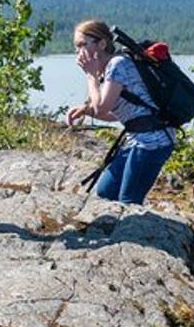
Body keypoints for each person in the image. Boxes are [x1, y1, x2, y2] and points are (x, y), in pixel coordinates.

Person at [65, 20, 175, 204]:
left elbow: (101, 107)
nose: (79, 52)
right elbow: (115, 114)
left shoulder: (118, 64)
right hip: (136, 138)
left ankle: (136, 231)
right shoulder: (108, 69)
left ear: (101, 44)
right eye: (76, 47)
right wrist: (86, 111)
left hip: (153, 142)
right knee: (106, 192)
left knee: (129, 200)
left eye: (83, 45)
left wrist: (90, 76)